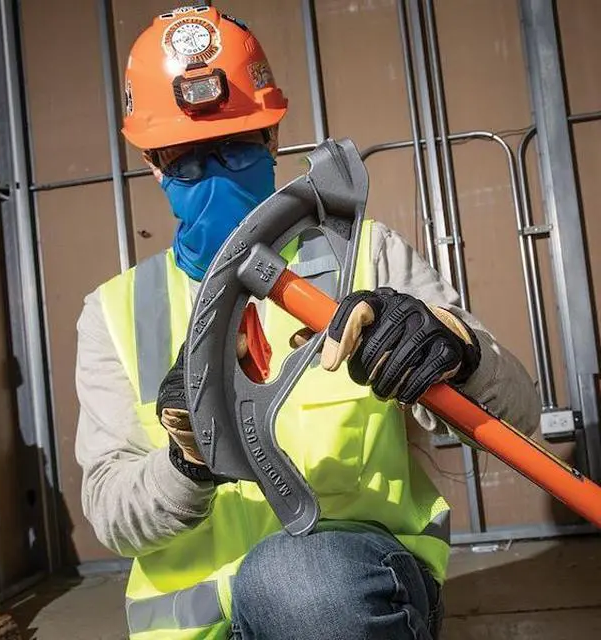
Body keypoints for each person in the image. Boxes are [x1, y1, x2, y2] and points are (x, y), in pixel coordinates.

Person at [75, 7, 541, 639]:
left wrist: (457, 354)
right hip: (199, 630)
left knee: (298, 584)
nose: (215, 172)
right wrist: (187, 462)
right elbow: (111, 515)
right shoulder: (115, 312)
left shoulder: (367, 257)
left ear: (272, 138)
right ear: (152, 163)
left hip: (343, 599)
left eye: (236, 146)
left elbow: (520, 417)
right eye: (187, 159)